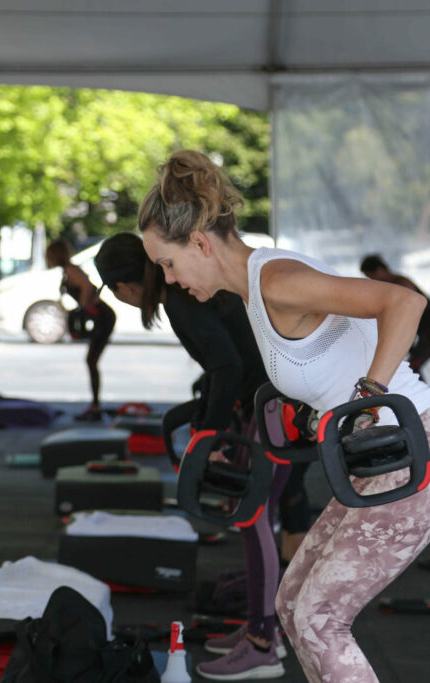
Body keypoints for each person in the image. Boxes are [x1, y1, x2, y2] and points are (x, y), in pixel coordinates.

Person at [137, 149, 430, 683]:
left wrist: (370, 395)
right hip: (386, 455)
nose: (169, 280)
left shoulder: (276, 281)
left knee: (319, 619)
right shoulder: (258, 286)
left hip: (423, 453)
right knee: (292, 602)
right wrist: (315, 409)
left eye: (168, 264)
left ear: (200, 244)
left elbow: (403, 304)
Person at [94, 232, 291, 680]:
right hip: (267, 403)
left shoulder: (181, 302)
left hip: (272, 407)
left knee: (255, 520)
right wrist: (210, 421)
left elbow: (227, 367)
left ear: (125, 286)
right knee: (256, 521)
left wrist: (209, 437)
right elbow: (226, 367)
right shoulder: (184, 296)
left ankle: (264, 643)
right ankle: (263, 632)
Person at [45, 239, 116, 421]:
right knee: (91, 361)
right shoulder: (67, 271)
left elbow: (86, 286)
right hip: (99, 316)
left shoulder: (71, 270)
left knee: (91, 360)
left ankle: (96, 407)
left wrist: (84, 306)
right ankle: (95, 405)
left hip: (102, 316)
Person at [360, 254, 430, 380]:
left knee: (413, 366)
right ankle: (421, 396)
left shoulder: (401, 284)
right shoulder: (396, 284)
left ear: (380, 270)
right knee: (411, 364)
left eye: (371, 276)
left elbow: (404, 313)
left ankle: (423, 397)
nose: (372, 281)